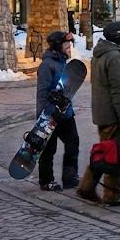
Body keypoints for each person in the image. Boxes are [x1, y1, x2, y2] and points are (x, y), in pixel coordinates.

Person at [77, 21, 120, 207]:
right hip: (112, 114)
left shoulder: (99, 55)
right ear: (119, 36)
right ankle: (112, 195)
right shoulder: (114, 58)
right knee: (115, 156)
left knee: (104, 152)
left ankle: (86, 187)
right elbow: (118, 90)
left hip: (101, 112)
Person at [36, 30, 80, 192]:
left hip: (66, 113)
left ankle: (70, 177)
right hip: (50, 115)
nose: (69, 47)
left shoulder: (63, 63)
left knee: (73, 143)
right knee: (49, 149)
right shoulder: (47, 65)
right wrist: (49, 112)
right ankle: (46, 180)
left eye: (69, 44)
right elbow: (42, 93)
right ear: (57, 46)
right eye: (66, 44)